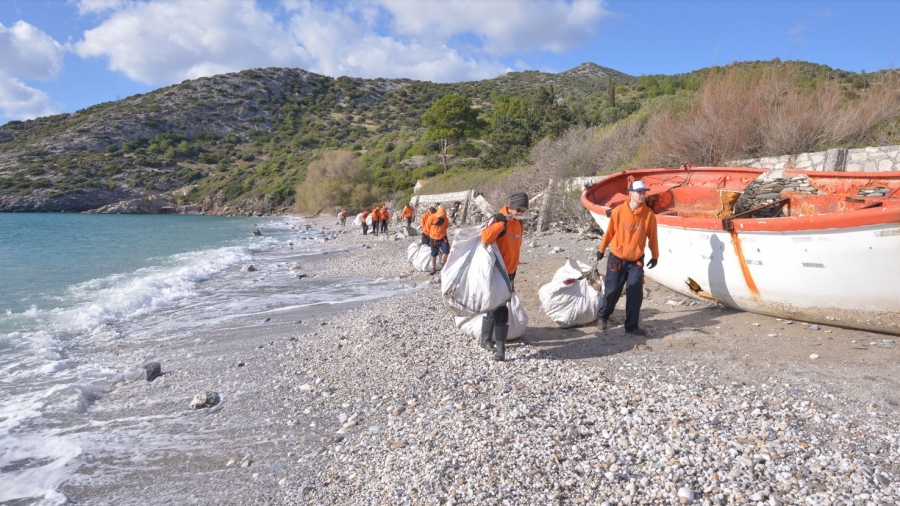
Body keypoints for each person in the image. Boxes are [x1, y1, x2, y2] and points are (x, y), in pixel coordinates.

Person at [596, 180, 659, 335]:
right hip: (617, 258)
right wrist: (601, 249)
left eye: (644, 192)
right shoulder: (618, 211)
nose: (642, 195)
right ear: (630, 194)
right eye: (639, 192)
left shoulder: (649, 215)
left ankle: (631, 326)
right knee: (612, 291)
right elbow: (609, 232)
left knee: (635, 292)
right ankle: (603, 316)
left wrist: (655, 255)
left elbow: (653, 237)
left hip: (636, 260)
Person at [479, 192, 528, 361]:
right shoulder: (499, 220)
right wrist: (501, 222)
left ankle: (485, 339)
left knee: (496, 305)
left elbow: (515, 247)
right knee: (501, 310)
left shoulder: (519, 224)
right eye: (520, 209)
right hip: (497, 273)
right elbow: (484, 238)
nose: (522, 213)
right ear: (512, 206)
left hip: (510, 272)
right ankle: (501, 350)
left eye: (524, 210)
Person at [426, 205, 450, 275]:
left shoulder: (446, 219)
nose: (442, 216)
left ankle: (442, 265)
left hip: (443, 238)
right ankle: (433, 268)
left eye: (444, 215)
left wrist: (441, 232)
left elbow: (446, 226)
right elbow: (427, 226)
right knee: (433, 254)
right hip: (433, 238)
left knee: (446, 252)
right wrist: (430, 234)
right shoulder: (432, 217)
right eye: (441, 215)